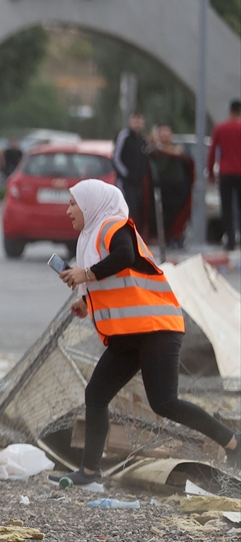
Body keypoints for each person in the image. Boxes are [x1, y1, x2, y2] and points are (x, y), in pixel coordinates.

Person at [49, 180, 239, 490]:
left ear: (91, 204)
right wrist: (86, 302)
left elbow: (124, 256)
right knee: (96, 395)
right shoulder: (89, 239)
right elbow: (119, 282)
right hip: (128, 335)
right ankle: (89, 473)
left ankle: (233, 443)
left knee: (165, 402)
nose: (68, 210)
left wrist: (86, 274)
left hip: (156, 330)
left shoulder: (113, 225)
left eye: (73, 203)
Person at [208, 99, 241, 251]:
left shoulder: (221, 128)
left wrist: (210, 173)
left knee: (226, 207)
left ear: (230, 110)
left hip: (226, 172)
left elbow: (212, 151)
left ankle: (231, 240)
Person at [113, 111, 149, 222]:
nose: (137, 122)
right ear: (130, 121)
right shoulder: (124, 136)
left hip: (138, 184)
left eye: (140, 119)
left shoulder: (142, 140)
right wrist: (126, 174)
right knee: (125, 209)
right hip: (126, 183)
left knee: (136, 211)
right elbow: (116, 158)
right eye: (135, 119)